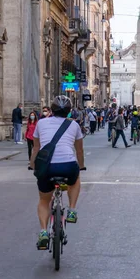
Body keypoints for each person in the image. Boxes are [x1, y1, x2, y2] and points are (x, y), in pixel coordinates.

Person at [30, 96, 85, 247]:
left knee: (44, 200)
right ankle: (72, 209)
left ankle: (43, 232)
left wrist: (32, 165)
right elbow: (79, 151)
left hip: (47, 167)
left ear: (52, 110)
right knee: (75, 178)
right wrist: (81, 166)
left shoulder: (41, 123)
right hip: (68, 165)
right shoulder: (74, 125)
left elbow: (36, 148)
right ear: (69, 111)